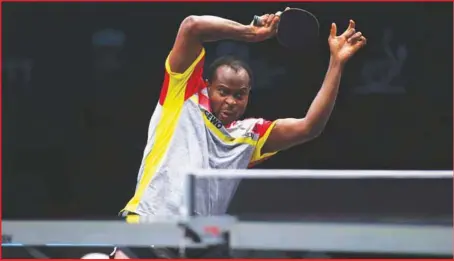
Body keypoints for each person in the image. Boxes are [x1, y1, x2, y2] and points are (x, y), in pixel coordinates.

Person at [112, 9, 367, 259]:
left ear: (248, 96)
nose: (231, 101)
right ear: (208, 87)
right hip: (145, 230)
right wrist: (250, 33)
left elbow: (309, 127)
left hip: (193, 248)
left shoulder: (249, 135)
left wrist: (336, 63)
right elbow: (192, 26)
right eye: (222, 91)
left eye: (239, 95)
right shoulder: (183, 97)